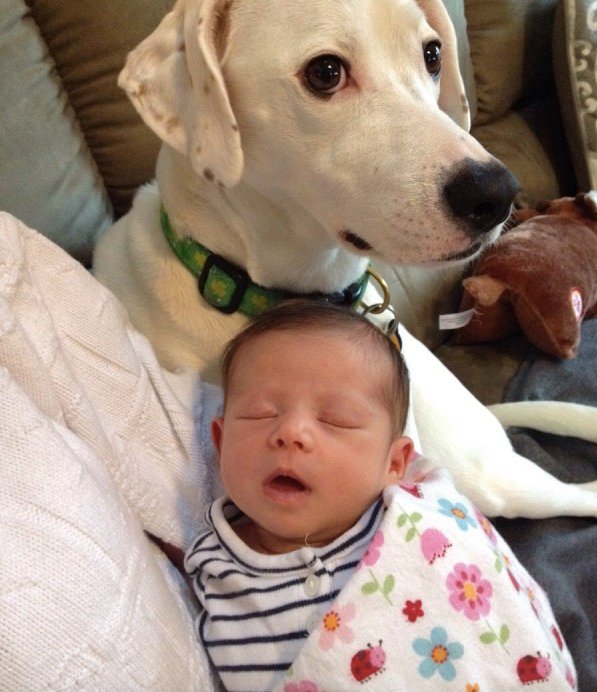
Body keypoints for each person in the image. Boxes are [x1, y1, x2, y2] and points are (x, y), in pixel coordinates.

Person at [184, 299, 414, 691]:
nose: (290, 432)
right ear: (220, 443)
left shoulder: (412, 530)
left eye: (336, 420)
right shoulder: (211, 567)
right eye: (260, 413)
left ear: (393, 463)